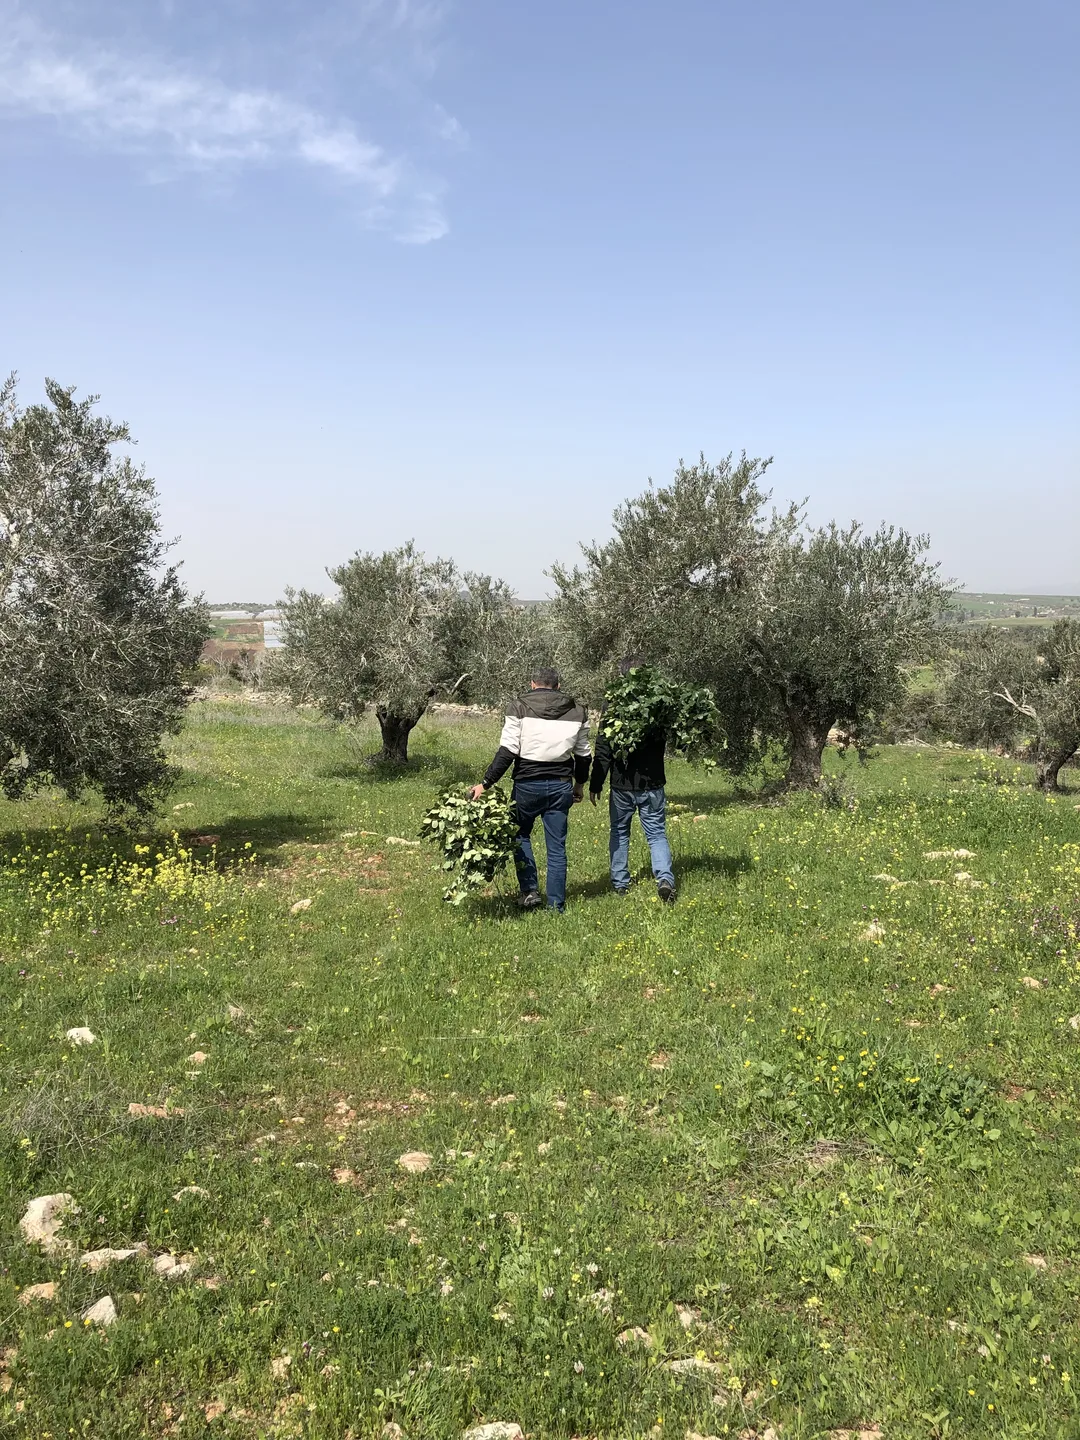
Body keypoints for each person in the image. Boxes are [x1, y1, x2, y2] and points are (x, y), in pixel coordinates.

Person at [471, 667, 591, 913]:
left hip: (527, 785)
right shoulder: (578, 711)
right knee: (557, 847)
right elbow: (584, 755)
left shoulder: (518, 707)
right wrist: (579, 784)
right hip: (561, 785)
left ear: (533, 684)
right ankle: (556, 905)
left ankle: (529, 891)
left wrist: (486, 783)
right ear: (558, 686)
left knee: (520, 835)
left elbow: (507, 751)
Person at [589, 656, 676, 903]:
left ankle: (620, 885)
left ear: (622, 676)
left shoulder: (613, 704)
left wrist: (596, 783)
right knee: (657, 834)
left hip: (621, 785)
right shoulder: (660, 703)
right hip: (653, 782)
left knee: (619, 833)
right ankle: (665, 879)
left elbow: (604, 746)